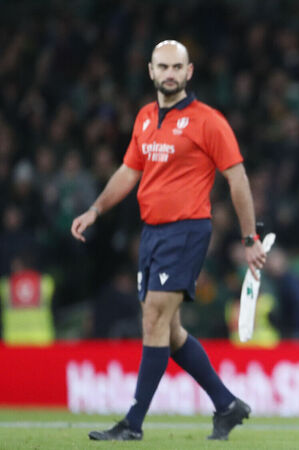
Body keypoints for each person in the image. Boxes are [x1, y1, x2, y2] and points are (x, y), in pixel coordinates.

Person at [71, 40, 266, 441]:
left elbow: (238, 179)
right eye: (163, 67)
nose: (170, 74)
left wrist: (250, 238)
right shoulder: (144, 117)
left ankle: (132, 424)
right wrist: (95, 210)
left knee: (154, 321)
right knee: (171, 331)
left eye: (177, 67)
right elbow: (129, 171)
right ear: (151, 71)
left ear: (189, 71)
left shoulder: (208, 121)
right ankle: (227, 404)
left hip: (186, 230)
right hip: (153, 233)